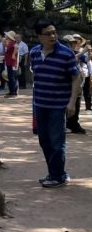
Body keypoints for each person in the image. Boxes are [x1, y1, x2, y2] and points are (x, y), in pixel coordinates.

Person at [30, 21, 82, 187]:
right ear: (39, 36)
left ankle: (57, 176)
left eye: (54, 32)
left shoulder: (66, 53)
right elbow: (36, 76)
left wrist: (72, 102)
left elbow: (76, 78)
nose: (53, 36)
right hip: (40, 104)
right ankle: (56, 173)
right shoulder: (34, 52)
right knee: (44, 141)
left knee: (57, 142)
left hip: (58, 106)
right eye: (48, 33)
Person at [64, 35, 88, 134]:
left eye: (74, 42)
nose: (74, 44)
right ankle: (65, 124)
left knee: (77, 102)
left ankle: (73, 124)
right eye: (71, 43)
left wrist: (89, 53)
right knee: (67, 102)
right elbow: (73, 59)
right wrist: (83, 51)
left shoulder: (75, 52)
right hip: (67, 82)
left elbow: (86, 59)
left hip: (78, 82)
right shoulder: (64, 53)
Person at [3, 30, 19, 97]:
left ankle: (13, 92)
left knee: (12, 77)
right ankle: (12, 91)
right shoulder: (10, 42)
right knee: (11, 77)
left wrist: (13, 54)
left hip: (11, 62)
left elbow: (16, 46)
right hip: (9, 62)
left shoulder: (12, 42)